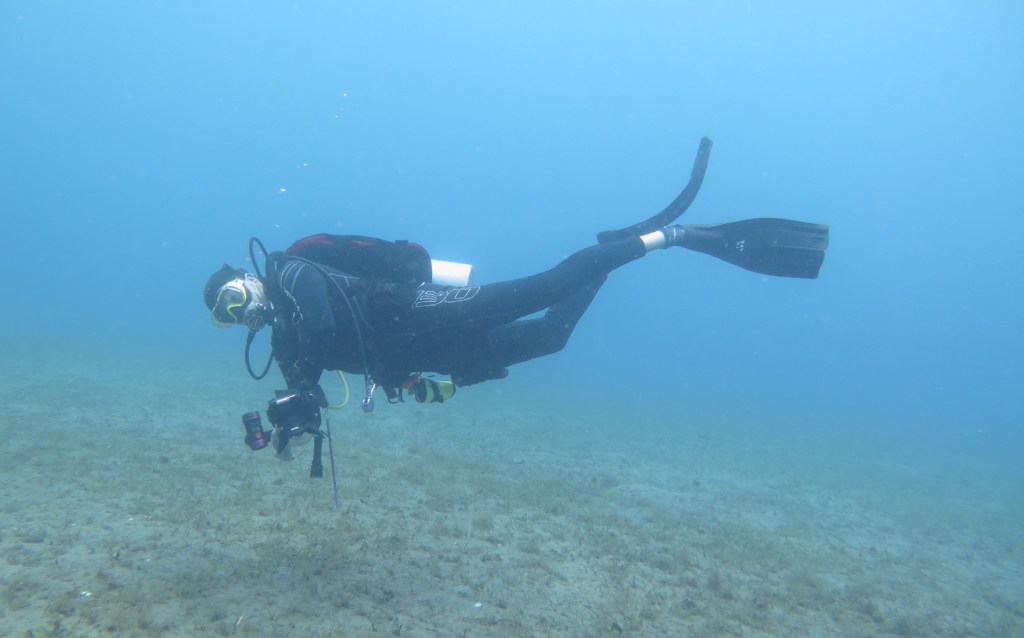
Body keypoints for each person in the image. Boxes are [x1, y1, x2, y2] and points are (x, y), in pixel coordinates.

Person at [204, 138, 827, 451]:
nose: (244, 311)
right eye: (231, 317)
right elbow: (316, 381)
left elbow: (321, 320)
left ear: (247, 277)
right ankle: (613, 252)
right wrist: (295, 421)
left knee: (545, 288)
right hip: (419, 352)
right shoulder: (285, 341)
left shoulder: (289, 271)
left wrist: (303, 381)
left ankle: (673, 236)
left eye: (235, 296)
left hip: (410, 307)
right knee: (552, 336)